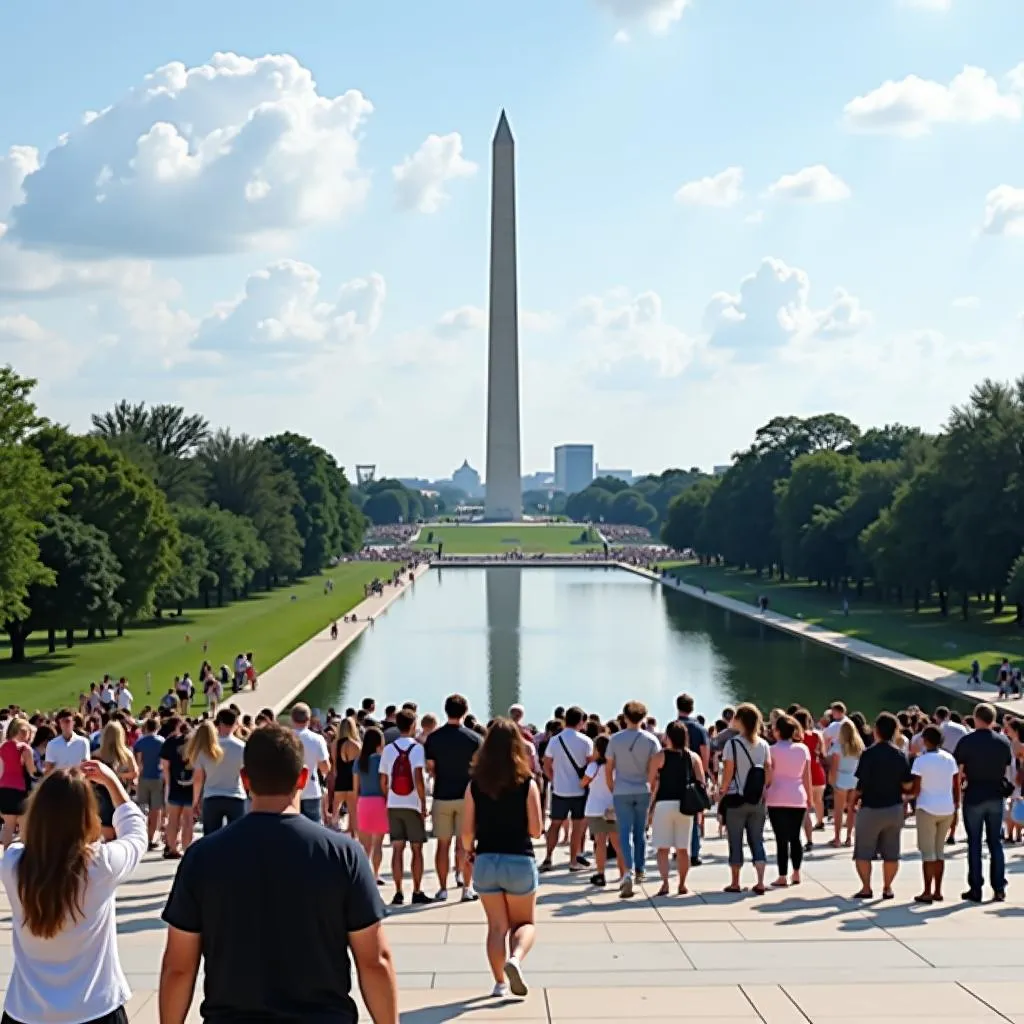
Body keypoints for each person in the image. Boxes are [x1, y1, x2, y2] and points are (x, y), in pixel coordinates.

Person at [159, 724, 398, 1024]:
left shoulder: (202, 857)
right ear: (302, 778)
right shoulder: (344, 854)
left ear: (245, 780)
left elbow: (178, 967)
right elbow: (375, 961)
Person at [1, 760, 147, 1024]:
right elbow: (136, 833)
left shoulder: (13, 863)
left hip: (25, 1012)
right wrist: (113, 783)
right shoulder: (101, 864)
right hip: (95, 1009)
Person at [462, 718, 543, 999]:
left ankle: (499, 983)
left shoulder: (475, 785)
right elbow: (536, 829)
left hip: (486, 860)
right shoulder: (526, 783)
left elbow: (466, 832)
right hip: (519, 858)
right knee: (525, 924)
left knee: (496, 927)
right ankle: (516, 959)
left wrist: (469, 852)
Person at [425, 693, 483, 902]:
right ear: (465, 712)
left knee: (442, 844)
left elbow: (431, 768)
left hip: (442, 795)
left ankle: (442, 888)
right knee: (466, 844)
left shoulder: (434, 738)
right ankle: (466, 887)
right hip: (467, 797)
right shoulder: (475, 739)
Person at [955, 702, 1011, 902]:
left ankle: (976, 888)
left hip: (974, 794)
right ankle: (998, 887)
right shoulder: (1003, 742)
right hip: (995, 794)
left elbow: (960, 773)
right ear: (993, 719)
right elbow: (1005, 771)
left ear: (976, 718)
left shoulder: (967, 741)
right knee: (995, 842)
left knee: (975, 843)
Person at [852, 712, 911, 901]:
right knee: (891, 853)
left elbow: (860, 785)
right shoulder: (900, 755)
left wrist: (851, 803)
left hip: (870, 807)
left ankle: (866, 887)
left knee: (863, 851)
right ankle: (887, 887)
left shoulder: (868, 754)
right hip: (893, 807)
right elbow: (907, 784)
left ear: (876, 730)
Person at [605, 700, 661, 898]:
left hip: (622, 789)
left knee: (624, 833)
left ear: (625, 717)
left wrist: (612, 788)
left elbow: (609, 768)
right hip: (642, 788)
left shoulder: (615, 740)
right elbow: (655, 770)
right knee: (641, 832)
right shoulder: (651, 741)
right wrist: (651, 788)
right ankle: (641, 868)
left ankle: (627, 871)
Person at [720, 703, 772, 894]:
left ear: (740, 720)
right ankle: (760, 881)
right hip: (756, 800)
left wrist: (721, 791)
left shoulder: (732, 744)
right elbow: (769, 771)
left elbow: (728, 772)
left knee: (735, 840)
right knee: (757, 839)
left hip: (736, 798)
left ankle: (735, 882)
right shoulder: (764, 744)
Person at [648, 720, 705, 896]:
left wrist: (650, 808)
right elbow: (701, 783)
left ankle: (665, 883)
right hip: (685, 805)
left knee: (662, 848)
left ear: (668, 737)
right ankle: (682, 884)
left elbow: (650, 783)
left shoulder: (660, 756)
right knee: (683, 849)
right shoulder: (693, 757)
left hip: (664, 803)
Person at [379, 708, 429, 906]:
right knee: (417, 849)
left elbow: (383, 780)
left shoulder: (389, 749)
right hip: (412, 804)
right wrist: (423, 802)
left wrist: (388, 798)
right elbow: (418, 778)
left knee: (397, 849)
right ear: (414, 725)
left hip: (394, 802)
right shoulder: (417, 748)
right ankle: (417, 890)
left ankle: (398, 891)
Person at [540, 706, 593, 874]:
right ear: (581, 722)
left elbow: (546, 764)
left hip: (559, 790)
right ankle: (573, 860)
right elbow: (591, 765)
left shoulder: (555, 740)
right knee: (577, 827)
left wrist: (553, 778)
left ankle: (548, 857)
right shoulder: (586, 742)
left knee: (554, 824)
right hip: (579, 790)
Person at [909, 724, 959, 903]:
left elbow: (916, 789)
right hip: (947, 807)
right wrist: (956, 805)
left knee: (927, 853)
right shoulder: (949, 758)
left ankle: (927, 891)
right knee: (939, 852)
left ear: (926, 740)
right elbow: (956, 784)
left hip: (927, 807)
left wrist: (905, 794)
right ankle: (938, 890)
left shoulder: (921, 761)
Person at [765, 714, 812, 887]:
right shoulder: (803, 749)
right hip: (797, 795)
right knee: (795, 837)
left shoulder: (772, 750)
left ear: (777, 731)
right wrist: (810, 798)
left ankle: (782, 875)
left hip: (777, 795)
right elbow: (807, 776)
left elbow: (769, 775)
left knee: (781, 839)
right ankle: (797, 872)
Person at [189, 709, 246, 836]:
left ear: (218, 723)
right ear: (235, 723)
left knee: (210, 838)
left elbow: (198, 777)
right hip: (236, 796)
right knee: (237, 837)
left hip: (212, 796)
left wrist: (195, 800)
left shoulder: (206, 748)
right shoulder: (242, 747)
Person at [581, 734, 623, 887]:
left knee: (600, 843)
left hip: (595, 808)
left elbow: (583, 783)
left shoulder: (593, 767)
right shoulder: (616, 767)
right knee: (617, 843)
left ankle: (600, 874)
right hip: (613, 808)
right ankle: (624, 874)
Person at [675, 693, 710, 866]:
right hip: (695, 776)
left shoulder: (673, 727)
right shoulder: (700, 729)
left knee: (677, 813)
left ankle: (679, 849)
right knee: (695, 815)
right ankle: (694, 853)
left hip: (675, 776)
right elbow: (705, 753)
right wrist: (702, 775)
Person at [94, 721, 139, 842]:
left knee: (106, 829)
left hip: (102, 793)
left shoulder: (97, 754)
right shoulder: (126, 754)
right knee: (122, 825)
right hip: (121, 792)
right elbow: (135, 773)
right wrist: (119, 775)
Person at [353, 726, 387, 882]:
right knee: (378, 844)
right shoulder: (382, 760)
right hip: (380, 802)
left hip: (364, 802)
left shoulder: (359, 762)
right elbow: (384, 784)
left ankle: (364, 876)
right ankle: (376, 874)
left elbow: (355, 789)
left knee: (365, 846)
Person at [291, 702, 331, 823]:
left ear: (292, 718)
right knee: (315, 827)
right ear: (309, 719)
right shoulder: (317, 739)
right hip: (311, 789)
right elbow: (325, 767)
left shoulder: (285, 737)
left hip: (290, 792)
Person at [161, 718, 194, 860]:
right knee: (188, 818)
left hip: (175, 783)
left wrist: (168, 784)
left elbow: (165, 766)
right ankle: (187, 848)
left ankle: (173, 847)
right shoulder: (193, 743)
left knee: (173, 818)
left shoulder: (170, 742)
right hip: (191, 784)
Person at [0, 719, 36, 848]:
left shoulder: (3, 746)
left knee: (8, 826)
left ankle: (6, 858)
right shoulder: (25, 749)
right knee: (23, 825)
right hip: (20, 788)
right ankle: (21, 858)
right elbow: (32, 771)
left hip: (4, 788)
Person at [829, 720, 863, 848]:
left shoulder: (838, 746)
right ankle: (849, 838)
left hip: (841, 778)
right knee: (851, 810)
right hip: (854, 779)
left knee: (838, 810)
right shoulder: (859, 745)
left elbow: (834, 766)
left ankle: (837, 838)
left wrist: (832, 780)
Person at [134, 717, 166, 850]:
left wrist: (137, 778)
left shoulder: (140, 742)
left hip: (144, 777)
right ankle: (152, 835)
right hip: (157, 777)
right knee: (156, 808)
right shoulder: (162, 741)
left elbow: (139, 763)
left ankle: (143, 835)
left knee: (143, 807)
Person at [333, 716, 362, 834]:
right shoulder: (357, 745)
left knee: (335, 812)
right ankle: (353, 837)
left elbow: (335, 766)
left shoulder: (334, 744)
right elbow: (359, 768)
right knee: (353, 812)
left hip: (340, 779)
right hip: (352, 780)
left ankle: (333, 833)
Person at [43, 709, 90, 773]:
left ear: (73, 722)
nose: (65, 724)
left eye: (68, 721)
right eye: (62, 721)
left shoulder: (83, 742)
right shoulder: (52, 744)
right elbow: (48, 769)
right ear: (59, 724)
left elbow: (86, 766)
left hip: (78, 780)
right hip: (59, 781)